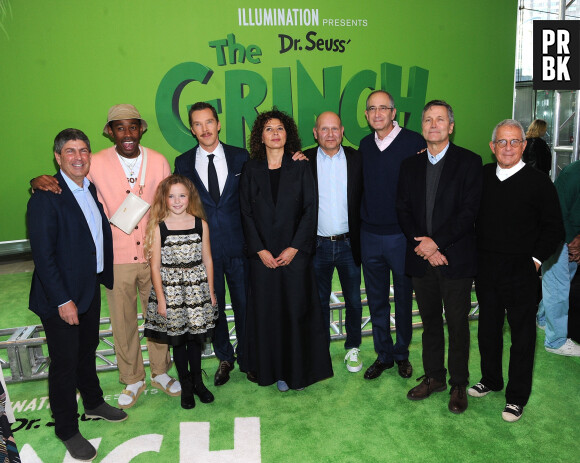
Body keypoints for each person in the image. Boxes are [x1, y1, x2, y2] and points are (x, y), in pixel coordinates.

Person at [31, 105, 178, 409]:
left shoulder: (160, 161)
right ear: (109, 132)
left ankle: (161, 371)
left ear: (142, 129)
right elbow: (63, 184)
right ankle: (132, 377)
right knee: (122, 321)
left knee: (160, 316)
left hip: (154, 256)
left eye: (133, 127)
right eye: (119, 128)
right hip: (115, 259)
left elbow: (168, 206)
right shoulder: (92, 162)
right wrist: (37, 181)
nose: (127, 134)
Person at [28, 129, 127, 461]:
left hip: (88, 288)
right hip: (62, 299)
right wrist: (62, 301)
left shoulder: (89, 187)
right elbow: (43, 257)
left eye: (83, 150)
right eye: (70, 151)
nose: (78, 157)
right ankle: (67, 429)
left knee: (86, 352)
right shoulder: (45, 196)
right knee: (65, 364)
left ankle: (94, 402)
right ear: (58, 157)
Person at [469, 119, 564, 422]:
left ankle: (516, 397)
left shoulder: (539, 182)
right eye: (501, 142)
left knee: (522, 337)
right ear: (492, 146)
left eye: (514, 142)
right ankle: (491, 379)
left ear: (524, 145)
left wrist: (535, 260)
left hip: (523, 272)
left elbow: (554, 229)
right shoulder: (481, 176)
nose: (507, 147)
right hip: (486, 269)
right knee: (488, 330)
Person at [396, 100, 482, 414]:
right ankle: (435, 377)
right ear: (423, 126)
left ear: (451, 126)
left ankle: (459, 383)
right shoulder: (410, 165)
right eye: (428, 119)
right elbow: (402, 209)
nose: (434, 124)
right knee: (430, 322)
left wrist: (437, 244)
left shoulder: (470, 162)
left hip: (454, 260)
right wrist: (423, 246)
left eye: (440, 119)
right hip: (421, 258)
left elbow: (468, 212)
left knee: (457, 323)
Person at [239, 109, 334, 391]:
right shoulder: (250, 169)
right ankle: (272, 370)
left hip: (296, 257)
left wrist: (295, 248)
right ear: (261, 136)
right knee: (268, 314)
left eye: (280, 128)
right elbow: (245, 213)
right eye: (268, 129)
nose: (275, 133)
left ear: (287, 133)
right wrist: (260, 251)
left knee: (295, 312)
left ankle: (295, 372)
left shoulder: (301, 166)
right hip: (263, 259)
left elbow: (310, 209)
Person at [174, 102, 252, 386]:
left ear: (218, 124)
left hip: (240, 248)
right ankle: (225, 357)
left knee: (245, 305)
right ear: (192, 129)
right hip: (204, 252)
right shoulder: (182, 163)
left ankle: (247, 356)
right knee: (214, 307)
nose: (204, 129)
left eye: (209, 122)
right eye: (197, 124)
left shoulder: (241, 157)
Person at [359, 90, 426, 381]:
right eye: (372, 109)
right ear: (366, 115)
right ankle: (383, 354)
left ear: (393, 112)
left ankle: (401, 354)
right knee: (376, 301)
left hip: (401, 237)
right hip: (370, 235)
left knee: (402, 298)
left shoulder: (414, 143)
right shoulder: (363, 145)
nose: (377, 114)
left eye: (383, 108)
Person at [143, 175, 219, 409]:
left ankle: (198, 382)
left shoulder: (200, 224)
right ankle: (186, 385)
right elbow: (155, 267)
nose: (177, 201)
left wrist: (211, 291)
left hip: (197, 291)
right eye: (171, 196)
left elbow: (207, 259)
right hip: (171, 293)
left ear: (190, 197)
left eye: (182, 196)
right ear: (164, 199)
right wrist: (162, 301)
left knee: (196, 340)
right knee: (178, 342)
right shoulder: (159, 227)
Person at [303, 111, 364, 373]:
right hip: (317, 245)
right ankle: (320, 349)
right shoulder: (302, 160)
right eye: (324, 129)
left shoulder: (357, 158)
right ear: (315, 133)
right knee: (317, 300)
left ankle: (353, 347)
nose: (330, 134)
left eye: (334, 129)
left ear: (342, 130)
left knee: (353, 298)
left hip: (350, 244)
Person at [536, 159, 580, 356]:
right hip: (553, 235)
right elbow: (556, 212)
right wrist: (572, 242)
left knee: (561, 283)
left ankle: (543, 319)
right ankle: (555, 341)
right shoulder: (574, 173)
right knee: (558, 286)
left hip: (573, 238)